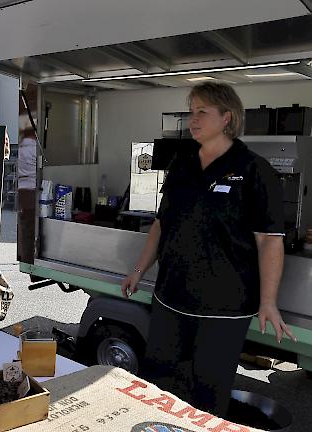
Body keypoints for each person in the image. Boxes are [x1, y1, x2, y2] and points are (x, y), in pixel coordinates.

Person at [121, 82, 297, 416]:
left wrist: (268, 301)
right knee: (156, 386)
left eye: (202, 111)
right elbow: (161, 224)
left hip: (225, 311)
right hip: (170, 299)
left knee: (208, 395)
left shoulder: (255, 170)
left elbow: (269, 240)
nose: (193, 119)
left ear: (227, 118)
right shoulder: (183, 165)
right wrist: (137, 270)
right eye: (192, 111)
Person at [17, 126, 37, 265]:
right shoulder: (35, 148)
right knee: (31, 227)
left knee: (24, 225)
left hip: (21, 189)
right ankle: (30, 259)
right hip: (31, 189)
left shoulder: (19, 149)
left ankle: (24, 256)